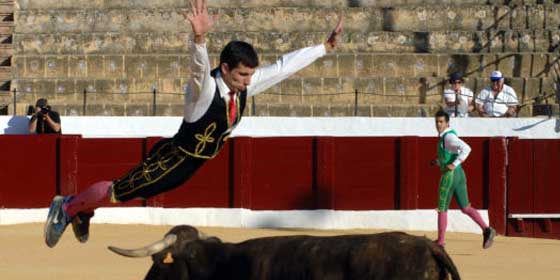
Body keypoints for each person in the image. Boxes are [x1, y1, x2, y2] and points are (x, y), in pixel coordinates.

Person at [44, 0, 344, 247]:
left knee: (131, 193)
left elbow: (282, 67)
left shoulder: (242, 87)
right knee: (119, 190)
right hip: (173, 158)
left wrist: (324, 48)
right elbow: (198, 68)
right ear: (225, 68)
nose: (247, 82)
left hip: (191, 163)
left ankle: (83, 211)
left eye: (250, 76)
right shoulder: (205, 90)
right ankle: (67, 207)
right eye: (241, 76)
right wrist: (199, 40)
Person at [432, 110, 496, 249]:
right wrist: (439, 162)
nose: (438, 124)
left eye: (441, 122)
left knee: (442, 208)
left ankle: (441, 242)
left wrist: (453, 164)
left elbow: (466, 148)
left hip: (450, 175)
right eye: (437, 122)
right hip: (460, 174)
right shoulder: (448, 136)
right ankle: (487, 229)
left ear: (447, 122)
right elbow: (452, 154)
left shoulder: (447, 137)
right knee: (466, 207)